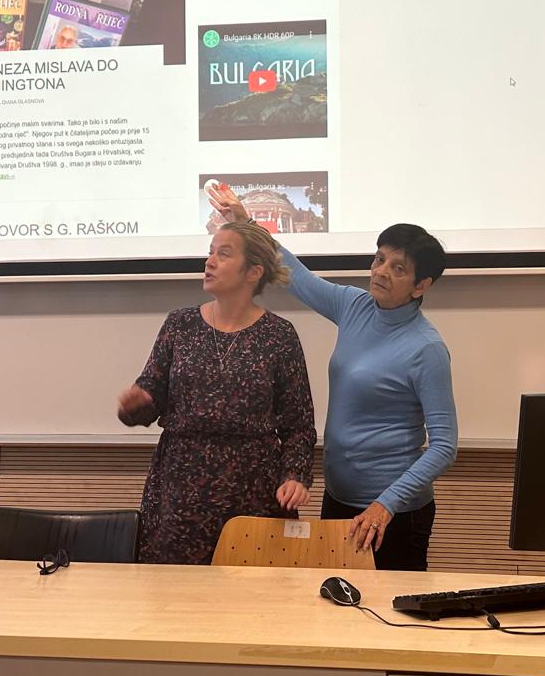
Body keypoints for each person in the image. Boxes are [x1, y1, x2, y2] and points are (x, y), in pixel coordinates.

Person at [210, 186, 456, 570]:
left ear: (421, 285)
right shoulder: (354, 306)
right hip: (339, 499)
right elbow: (296, 275)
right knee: (336, 602)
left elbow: (444, 446)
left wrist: (385, 505)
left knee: (389, 608)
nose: (381, 272)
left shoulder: (427, 348)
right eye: (380, 259)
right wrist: (246, 222)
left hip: (394, 514)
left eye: (398, 268)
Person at [117, 220, 315, 564]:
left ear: (253, 272)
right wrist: (134, 406)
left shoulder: (279, 335)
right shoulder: (180, 324)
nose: (209, 262)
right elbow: (149, 398)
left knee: (250, 589)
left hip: (253, 488)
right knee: (175, 588)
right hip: (181, 486)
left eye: (223, 254)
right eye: (210, 252)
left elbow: (298, 425)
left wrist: (295, 476)